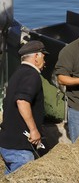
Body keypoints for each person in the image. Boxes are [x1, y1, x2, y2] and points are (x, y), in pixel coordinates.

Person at [0, 40, 49, 174]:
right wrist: (33, 130)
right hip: (20, 147)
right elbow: (22, 100)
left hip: (8, 142)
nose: (45, 62)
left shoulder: (17, 73)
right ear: (36, 57)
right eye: (44, 57)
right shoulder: (32, 75)